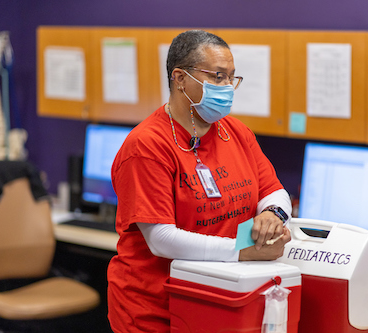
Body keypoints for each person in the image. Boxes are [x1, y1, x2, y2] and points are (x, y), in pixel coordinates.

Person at [107, 29, 293, 333]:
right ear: (180, 78)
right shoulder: (146, 146)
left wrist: (273, 215)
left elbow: (274, 191)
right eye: (217, 76)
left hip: (218, 298)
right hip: (156, 310)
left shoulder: (235, 132)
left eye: (231, 78)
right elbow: (161, 239)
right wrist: (243, 250)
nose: (228, 87)